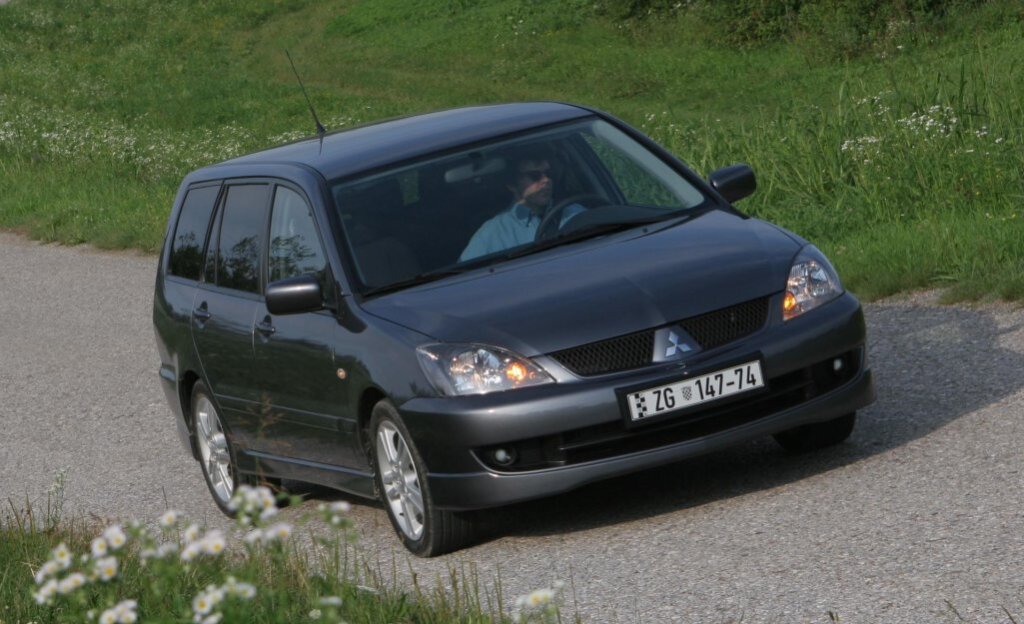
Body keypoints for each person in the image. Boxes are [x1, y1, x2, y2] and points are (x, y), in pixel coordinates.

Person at [459, 150, 586, 262]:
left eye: (549, 173)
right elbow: (464, 279)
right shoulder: (492, 233)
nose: (546, 180)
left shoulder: (575, 212)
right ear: (512, 185)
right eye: (535, 176)